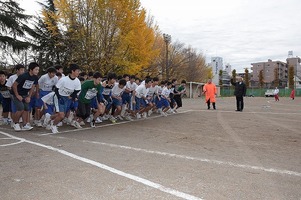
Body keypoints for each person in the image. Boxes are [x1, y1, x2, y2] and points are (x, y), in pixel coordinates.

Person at [11, 62, 40, 131]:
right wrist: (17, 95)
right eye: (36, 70)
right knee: (20, 108)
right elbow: (14, 85)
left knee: (26, 109)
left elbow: (32, 87)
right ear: (31, 69)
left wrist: (29, 96)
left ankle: (24, 124)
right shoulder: (23, 76)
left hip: (25, 94)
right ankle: (16, 123)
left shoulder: (35, 77)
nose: (37, 71)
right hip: (16, 94)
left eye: (38, 70)